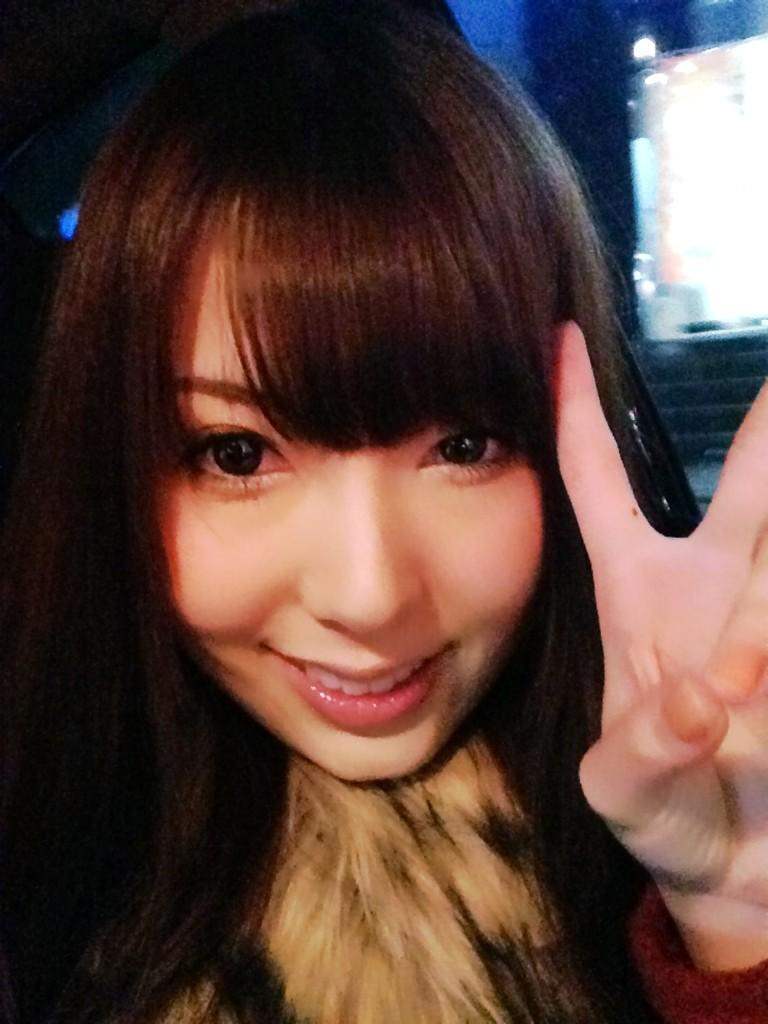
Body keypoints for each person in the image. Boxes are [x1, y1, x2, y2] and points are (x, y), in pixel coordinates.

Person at [2, 2, 767, 1022]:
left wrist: (734, 923)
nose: (367, 598)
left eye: (465, 446)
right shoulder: (41, 896)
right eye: (238, 454)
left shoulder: (679, 800)